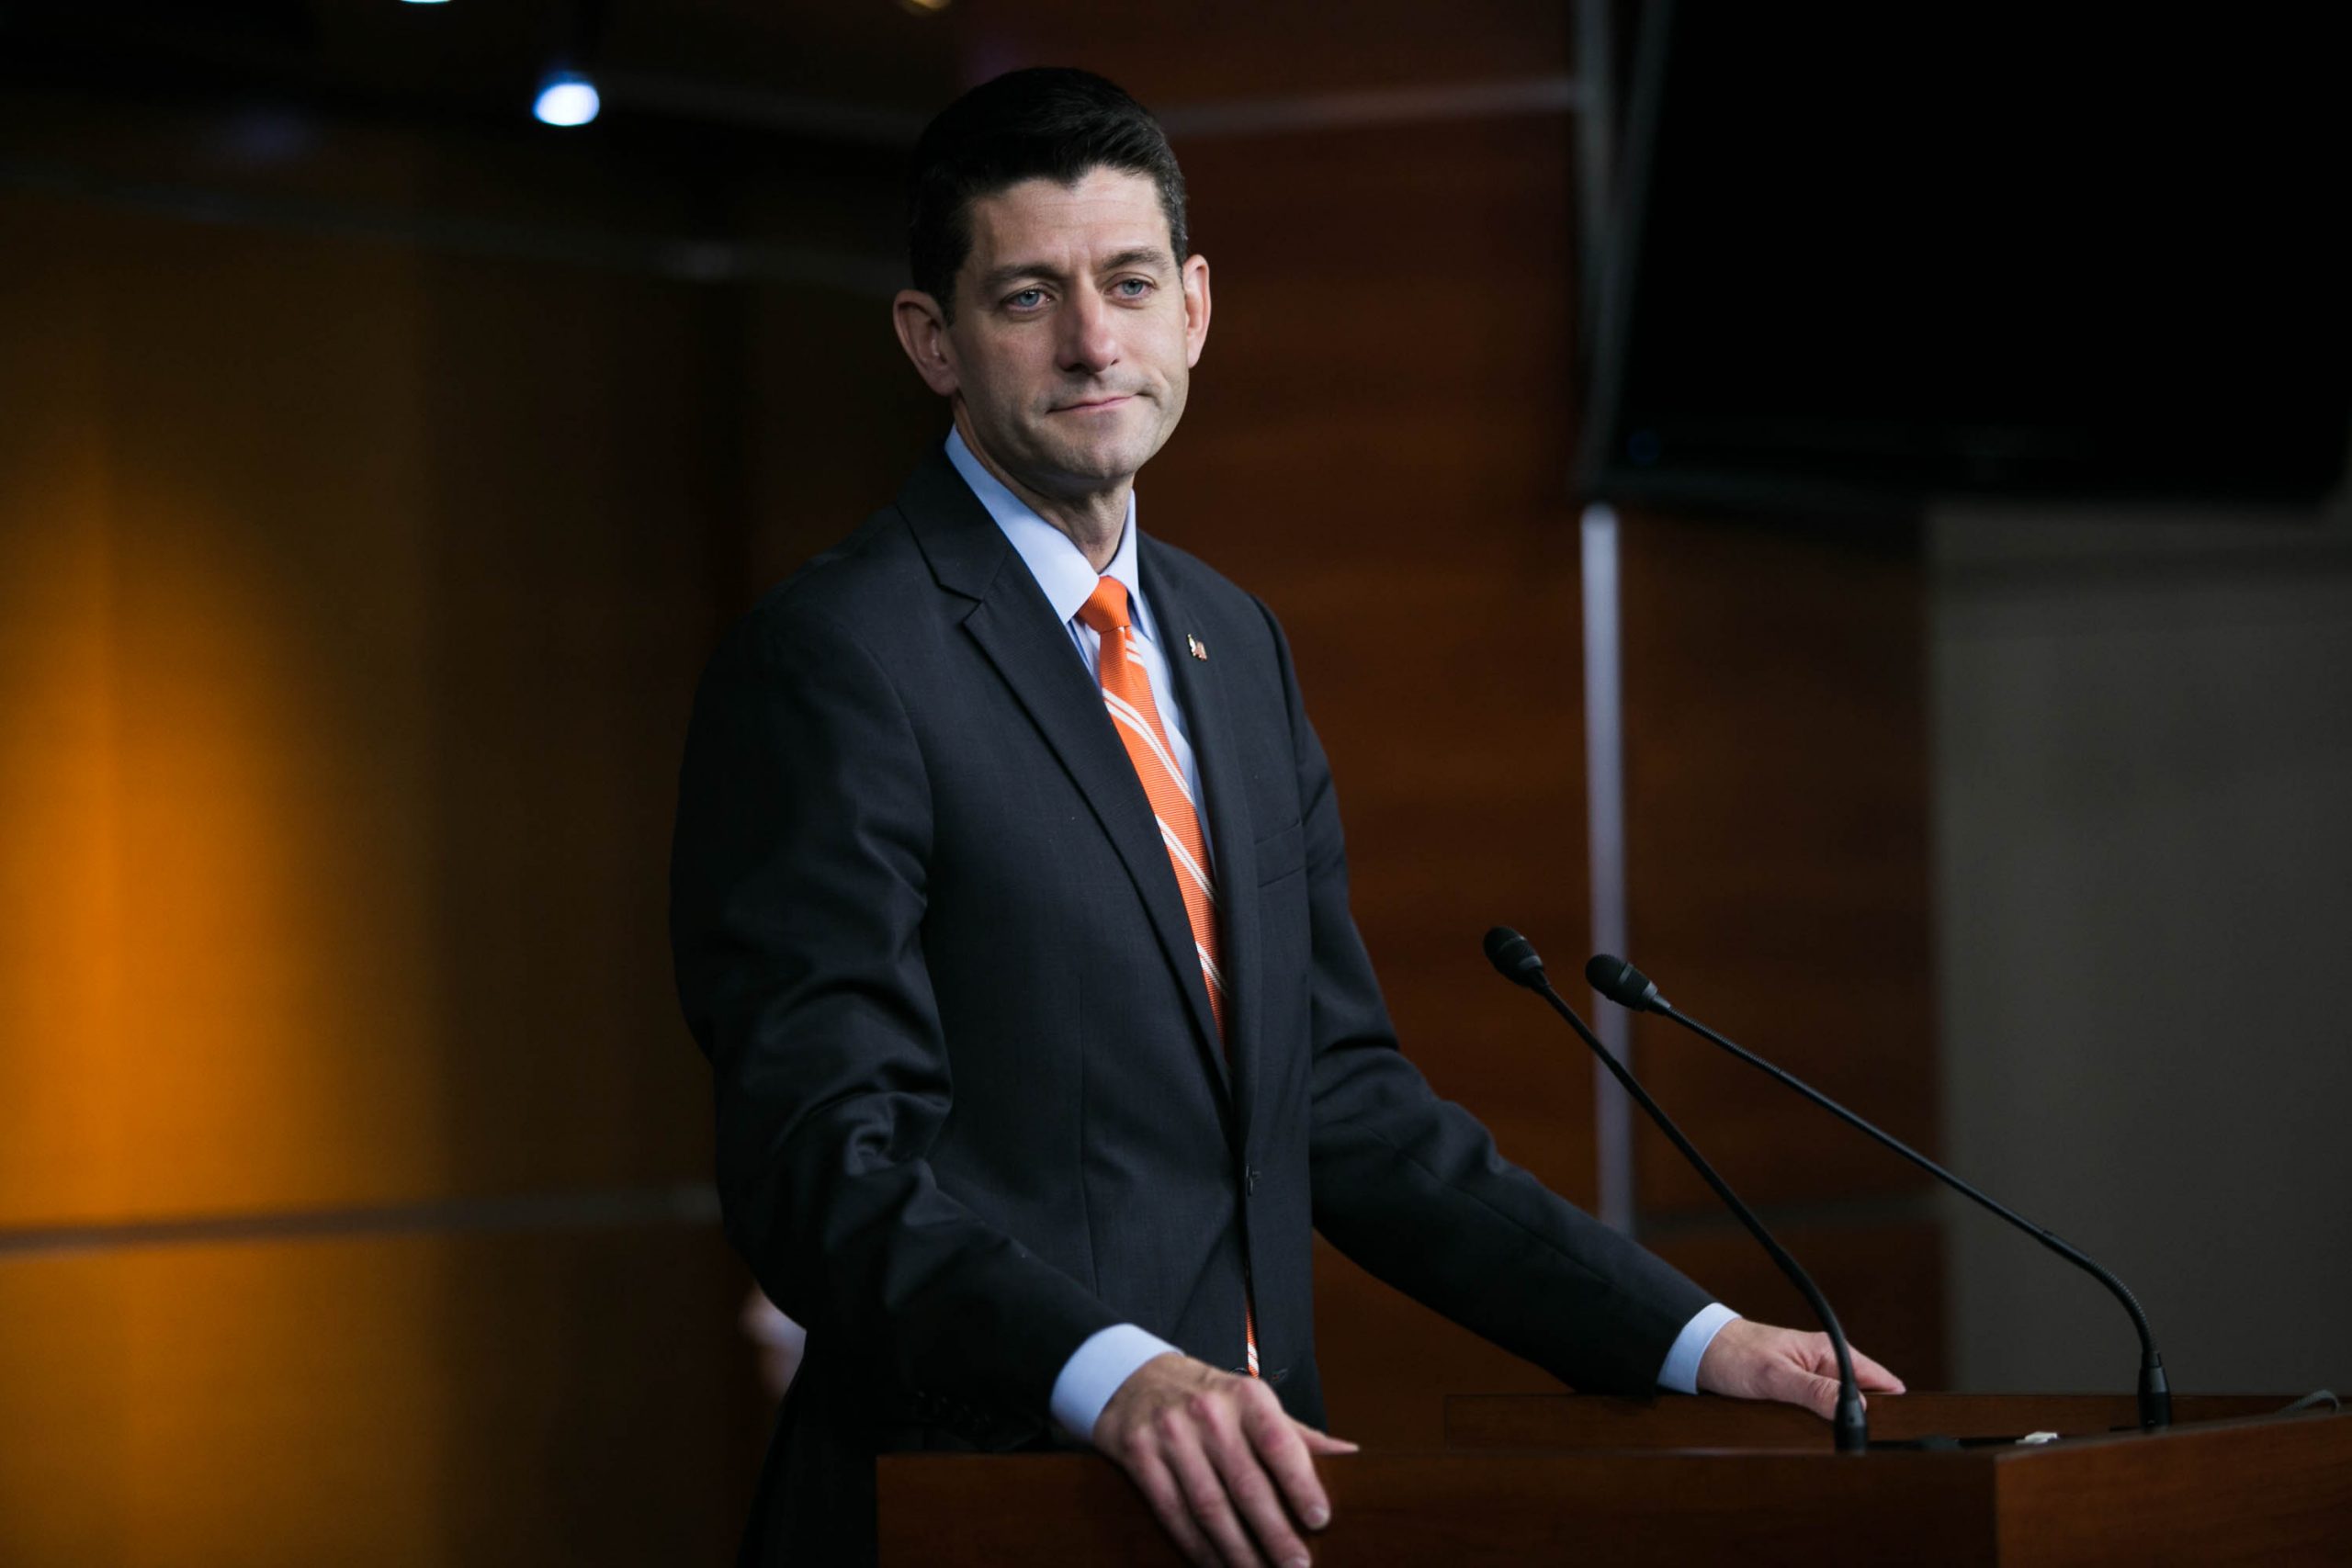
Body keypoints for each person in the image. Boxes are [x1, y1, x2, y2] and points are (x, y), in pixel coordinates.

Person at [669, 66, 1901, 1568]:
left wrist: (1689, 1338)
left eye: (1128, 284)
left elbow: (1340, 1108)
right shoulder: (838, 659)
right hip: (973, 1509)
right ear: (933, 341)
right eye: (1026, 299)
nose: (1090, 342)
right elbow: (821, 1162)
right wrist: (1116, 1376)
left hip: (1254, 1513)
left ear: (1196, 306)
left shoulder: (1228, 642)